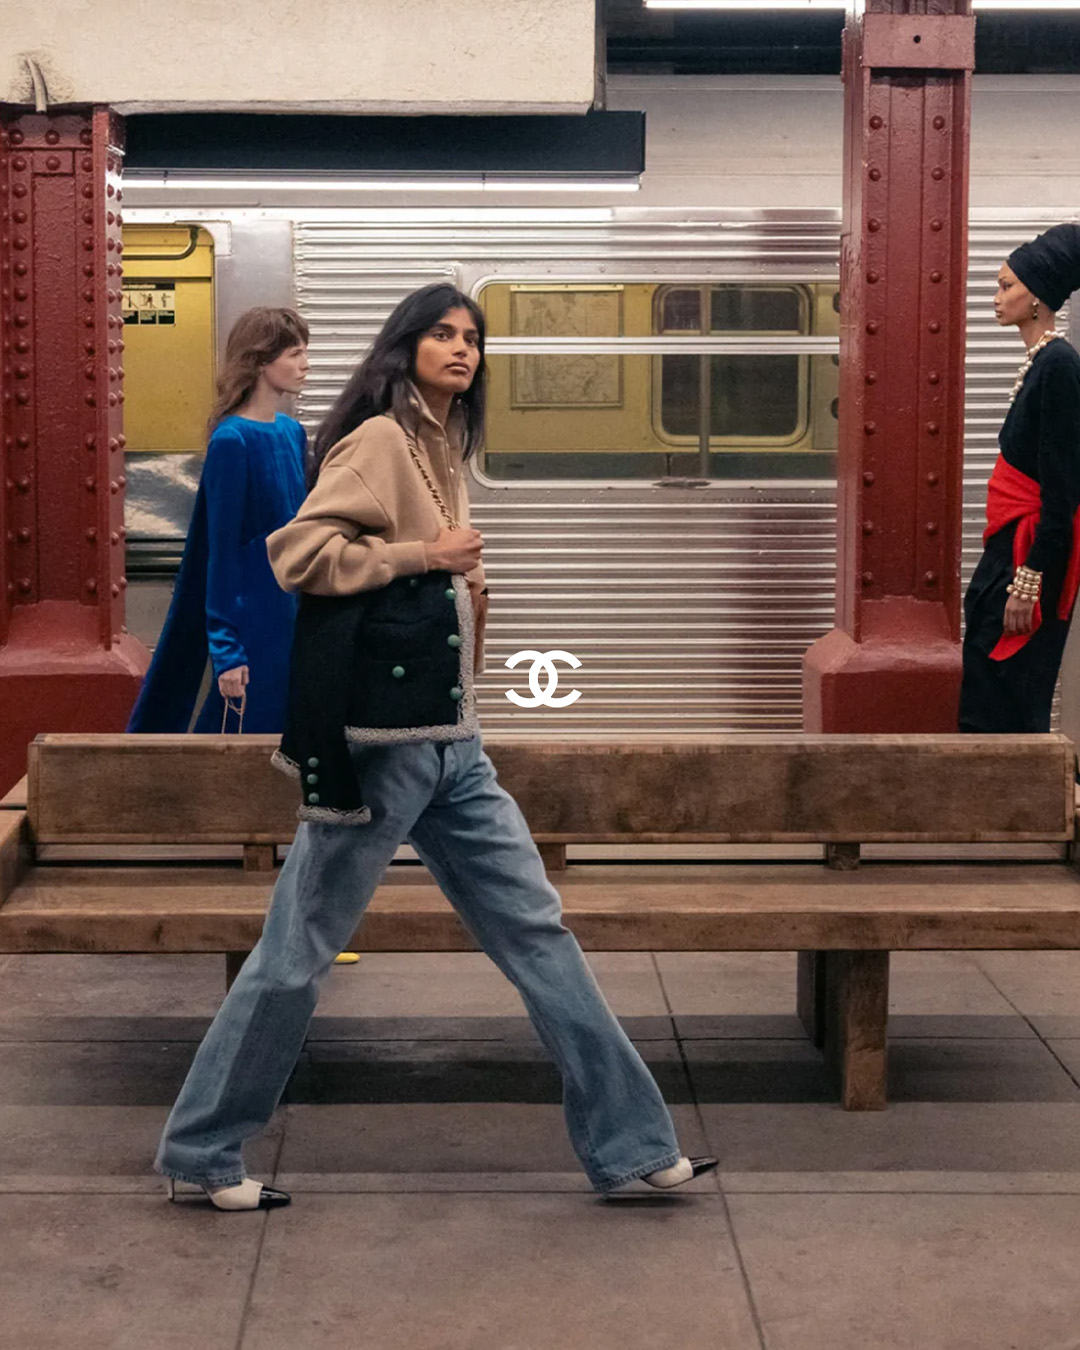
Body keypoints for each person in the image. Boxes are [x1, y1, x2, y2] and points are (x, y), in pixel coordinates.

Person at [155, 283, 716, 1210]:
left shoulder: (442, 443)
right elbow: (296, 554)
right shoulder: (380, 439)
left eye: (472, 337)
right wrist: (423, 558)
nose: (461, 349)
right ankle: (202, 1151)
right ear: (404, 348)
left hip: (454, 742)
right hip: (383, 749)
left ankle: (633, 1146)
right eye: (441, 335)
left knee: (539, 935)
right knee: (297, 952)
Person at [126, 307, 310, 735]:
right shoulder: (232, 441)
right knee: (243, 731)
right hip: (255, 615)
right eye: (295, 354)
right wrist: (227, 650)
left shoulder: (291, 432)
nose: (305, 365)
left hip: (294, 606)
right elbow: (220, 553)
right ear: (261, 361)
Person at [959, 224, 1080, 733]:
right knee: (988, 691)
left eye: (1007, 285)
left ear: (1037, 297)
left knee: (1005, 699)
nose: (996, 298)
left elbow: (1061, 491)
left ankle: (1007, 809)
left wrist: (1027, 583)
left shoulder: (1057, 366)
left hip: (1025, 559)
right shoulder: (1042, 364)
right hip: (1009, 552)